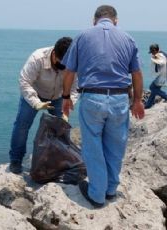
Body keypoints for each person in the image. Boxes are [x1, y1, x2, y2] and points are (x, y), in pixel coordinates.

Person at [61, 5, 145, 208]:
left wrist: (66, 97)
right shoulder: (127, 38)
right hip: (119, 99)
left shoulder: (82, 37)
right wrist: (138, 101)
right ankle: (110, 189)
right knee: (116, 146)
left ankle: (97, 194)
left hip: (92, 98)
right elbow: (137, 74)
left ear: (94, 20)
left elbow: (69, 72)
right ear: (115, 20)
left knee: (92, 145)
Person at [8, 37, 79, 174]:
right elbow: (24, 81)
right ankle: (16, 160)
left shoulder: (74, 62)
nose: (64, 67)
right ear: (54, 54)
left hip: (59, 97)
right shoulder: (37, 58)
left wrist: (68, 105)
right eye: (61, 64)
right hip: (35, 94)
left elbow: (76, 87)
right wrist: (36, 103)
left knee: (63, 128)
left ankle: (60, 160)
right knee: (22, 126)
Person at [144, 43, 167, 109]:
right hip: (163, 75)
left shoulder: (159, 55)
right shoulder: (162, 53)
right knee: (154, 89)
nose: (152, 54)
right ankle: (148, 105)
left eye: (152, 52)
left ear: (154, 50)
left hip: (163, 76)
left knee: (152, 87)